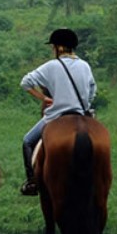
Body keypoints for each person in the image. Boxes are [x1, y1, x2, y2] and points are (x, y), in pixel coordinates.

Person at [19, 28, 97, 196]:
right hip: (81, 114)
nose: (52, 50)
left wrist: (44, 99)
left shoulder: (51, 66)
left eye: (53, 47)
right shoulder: (85, 65)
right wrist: (85, 104)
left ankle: (32, 182)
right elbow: (92, 89)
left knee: (27, 141)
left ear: (60, 48)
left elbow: (25, 82)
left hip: (56, 116)